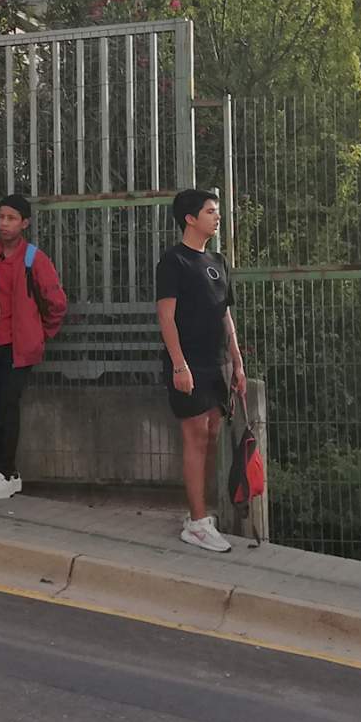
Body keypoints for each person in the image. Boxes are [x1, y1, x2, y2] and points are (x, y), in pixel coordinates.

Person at [155, 188, 246, 553]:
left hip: (217, 362)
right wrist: (179, 364)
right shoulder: (173, 261)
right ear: (190, 218)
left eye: (217, 211)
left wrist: (238, 361)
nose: (217, 216)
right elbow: (165, 315)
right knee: (194, 437)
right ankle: (197, 522)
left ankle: (199, 515)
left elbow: (226, 314)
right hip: (188, 362)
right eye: (210, 211)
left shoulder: (219, 261)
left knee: (210, 436)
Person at [0, 193, 67, 501]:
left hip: (19, 346)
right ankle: (6, 469)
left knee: (9, 405)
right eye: (1, 217)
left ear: (24, 222)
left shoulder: (33, 258)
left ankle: (6, 470)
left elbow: (56, 302)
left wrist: (41, 334)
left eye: (11, 218)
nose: (4, 223)